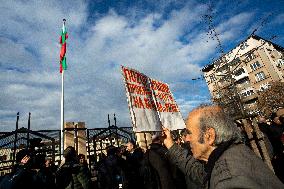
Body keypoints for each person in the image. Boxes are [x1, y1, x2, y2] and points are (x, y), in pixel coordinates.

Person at [162, 105, 284, 188]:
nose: (186, 139)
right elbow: (201, 175)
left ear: (209, 136)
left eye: (189, 133)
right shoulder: (233, 153)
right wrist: (170, 144)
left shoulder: (228, 179)